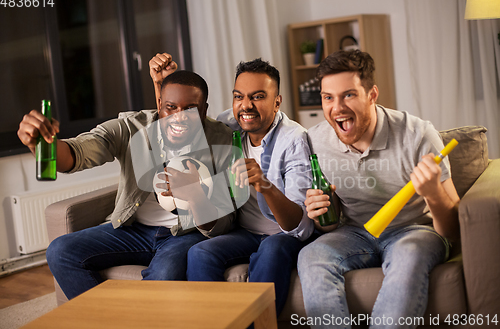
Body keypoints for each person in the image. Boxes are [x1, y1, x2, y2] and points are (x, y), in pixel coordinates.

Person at [18, 68, 235, 300]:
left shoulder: (223, 141)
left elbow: (225, 224)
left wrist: (196, 197)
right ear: (159, 103)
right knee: (60, 251)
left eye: (190, 109)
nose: (178, 117)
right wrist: (42, 146)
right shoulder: (132, 127)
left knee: (164, 273)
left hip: (187, 233)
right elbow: (78, 152)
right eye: (170, 107)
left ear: (204, 110)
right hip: (134, 229)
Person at [297, 50, 460, 329]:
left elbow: (453, 231)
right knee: (311, 254)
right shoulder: (314, 141)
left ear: (372, 94)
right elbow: (330, 224)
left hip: (413, 230)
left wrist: (433, 193)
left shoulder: (417, 134)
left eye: (349, 94)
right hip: (354, 232)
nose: (337, 108)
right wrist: (320, 212)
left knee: (410, 253)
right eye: (328, 98)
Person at [149, 54, 315, 316]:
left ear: (277, 102)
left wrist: (265, 185)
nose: (246, 106)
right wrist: (163, 84)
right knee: (200, 252)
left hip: (281, 234)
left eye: (258, 97)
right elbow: (179, 120)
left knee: (271, 249)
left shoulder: (294, 140)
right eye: (239, 96)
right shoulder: (229, 124)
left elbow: (301, 226)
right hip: (243, 231)